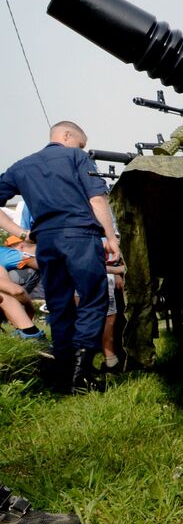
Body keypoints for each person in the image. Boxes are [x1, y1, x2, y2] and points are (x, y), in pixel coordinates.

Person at [0, 122, 121, 392]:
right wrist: (111, 238)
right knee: (93, 297)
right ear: (67, 136)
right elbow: (97, 199)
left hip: (46, 244)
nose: (82, 149)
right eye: (80, 143)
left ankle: (62, 373)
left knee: (59, 304)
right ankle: (82, 371)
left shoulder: (21, 166)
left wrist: (22, 234)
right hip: (79, 237)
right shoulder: (77, 157)